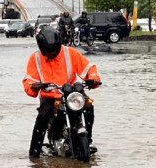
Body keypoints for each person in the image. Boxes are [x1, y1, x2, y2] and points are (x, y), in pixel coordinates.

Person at [23, 26, 102, 158]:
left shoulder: (70, 53)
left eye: (54, 50)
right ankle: (34, 152)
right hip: (50, 95)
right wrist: (35, 86)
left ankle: (88, 139)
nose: (52, 54)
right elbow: (29, 79)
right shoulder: (35, 58)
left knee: (88, 106)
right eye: (49, 52)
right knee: (42, 117)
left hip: (71, 92)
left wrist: (93, 79)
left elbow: (88, 68)